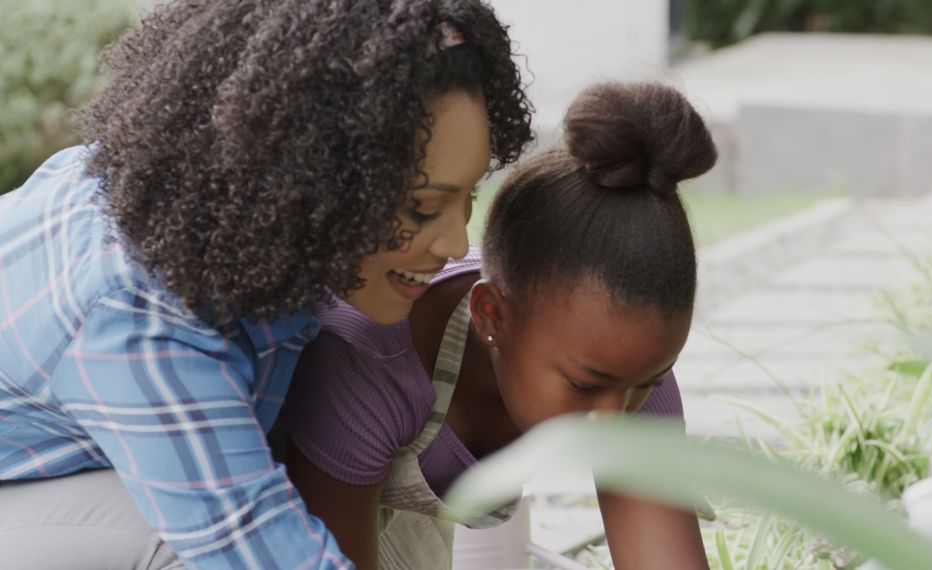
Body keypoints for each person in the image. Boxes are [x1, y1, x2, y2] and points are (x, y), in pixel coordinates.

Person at [0, 0, 532, 568]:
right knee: (182, 552)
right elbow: (259, 548)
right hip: (23, 499)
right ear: (302, 173)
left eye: (467, 196)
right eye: (423, 206)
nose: (456, 243)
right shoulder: (141, 319)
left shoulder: (224, 206)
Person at [283, 81, 718, 569]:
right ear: (491, 314)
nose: (612, 419)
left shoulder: (621, 364)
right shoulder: (366, 365)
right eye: (582, 384)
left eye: (647, 382)